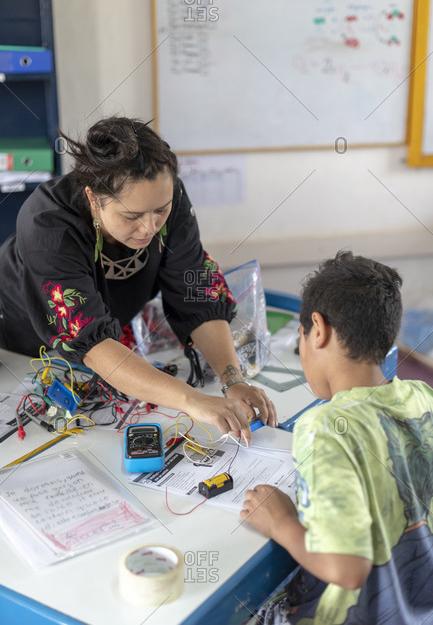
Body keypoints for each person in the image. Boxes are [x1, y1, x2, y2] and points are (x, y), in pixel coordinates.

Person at [0, 116, 277, 443]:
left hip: (108, 346)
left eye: (161, 210)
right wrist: (191, 400)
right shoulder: (48, 224)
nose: (151, 227)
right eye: (132, 216)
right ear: (93, 198)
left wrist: (234, 380)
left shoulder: (163, 195)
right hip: (23, 350)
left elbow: (196, 295)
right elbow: (93, 344)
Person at [241, 251, 433, 624]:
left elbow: (347, 569)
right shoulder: (424, 398)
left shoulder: (324, 427)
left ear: (318, 329)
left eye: (301, 339)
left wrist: (280, 522)